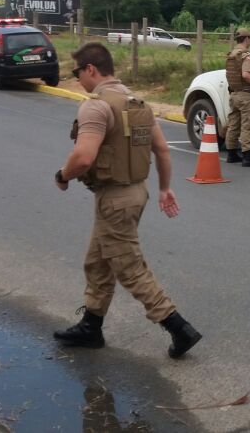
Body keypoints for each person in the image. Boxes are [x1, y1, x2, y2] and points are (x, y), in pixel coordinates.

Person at [53, 42, 202, 358]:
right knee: (97, 261)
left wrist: (63, 176)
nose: (76, 78)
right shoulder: (137, 103)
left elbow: (83, 156)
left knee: (129, 267)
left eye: (77, 72)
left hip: (114, 199)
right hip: (136, 192)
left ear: (90, 69)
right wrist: (164, 188)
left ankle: (178, 327)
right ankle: (91, 326)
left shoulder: (96, 106)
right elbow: (162, 149)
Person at [225, 29, 250, 167]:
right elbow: (246, 75)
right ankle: (248, 157)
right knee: (248, 125)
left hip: (233, 94)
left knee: (233, 124)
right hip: (244, 94)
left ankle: (231, 154)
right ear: (246, 39)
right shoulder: (246, 55)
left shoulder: (232, 54)